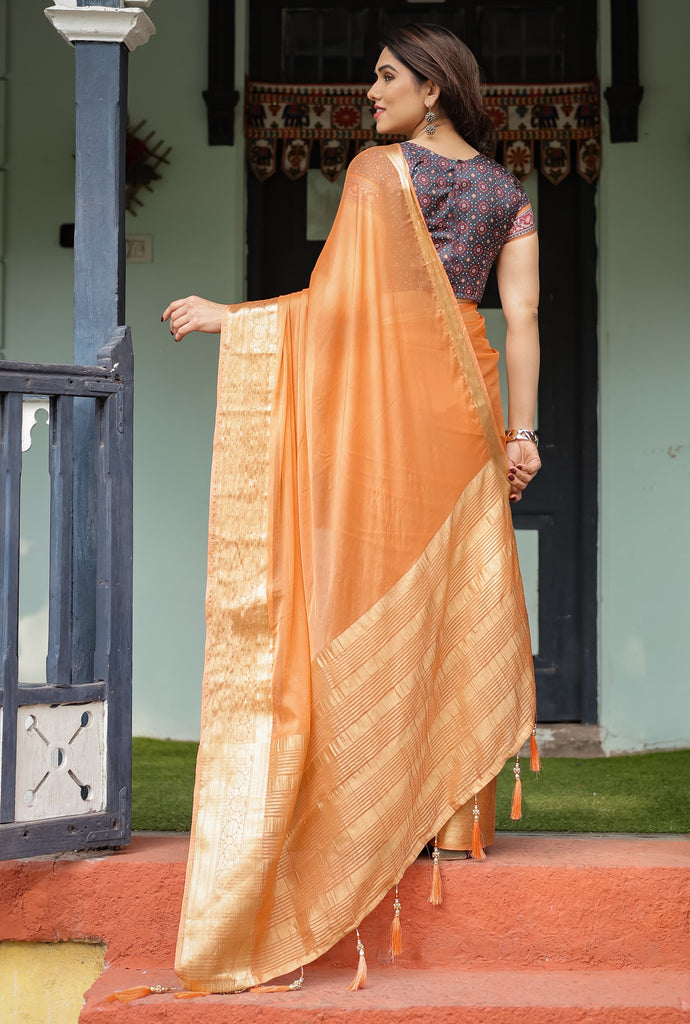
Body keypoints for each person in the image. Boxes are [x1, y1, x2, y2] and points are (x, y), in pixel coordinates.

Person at [161, 23, 540, 995]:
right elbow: (524, 317)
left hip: (390, 402)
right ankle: (448, 822)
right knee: (446, 592)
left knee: (363, 585)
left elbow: (340, 306)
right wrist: (521, 436)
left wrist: (232, 321)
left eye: (384, 78)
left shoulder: (381, 174)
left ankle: (368, 809)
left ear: (434, 91)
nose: (368, 93)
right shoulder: (510, 194)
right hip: (467, 402)